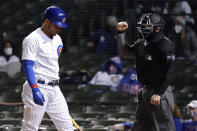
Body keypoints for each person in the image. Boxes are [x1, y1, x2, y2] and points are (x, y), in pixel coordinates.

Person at [117, 13, 176, 131]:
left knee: (164, 127)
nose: (142, 29)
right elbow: (125, 53)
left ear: (157, 28)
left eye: (146, 27)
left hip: (159, 92)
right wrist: (121, 33)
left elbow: (170, 71)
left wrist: (158, 93)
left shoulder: (165, 44)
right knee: (139, 126)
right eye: (141, 26)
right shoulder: (141, 42)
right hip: (145, 91)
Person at [21, 6, 74, 131]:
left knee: (67, 127)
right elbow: (27, 65)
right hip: (38, 85)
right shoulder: (32, 39)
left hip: (55, 88)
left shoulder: (58, 39)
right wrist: (35, 88)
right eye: (56, 25)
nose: (59, 28)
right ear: (47, 22)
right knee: (30, 127)